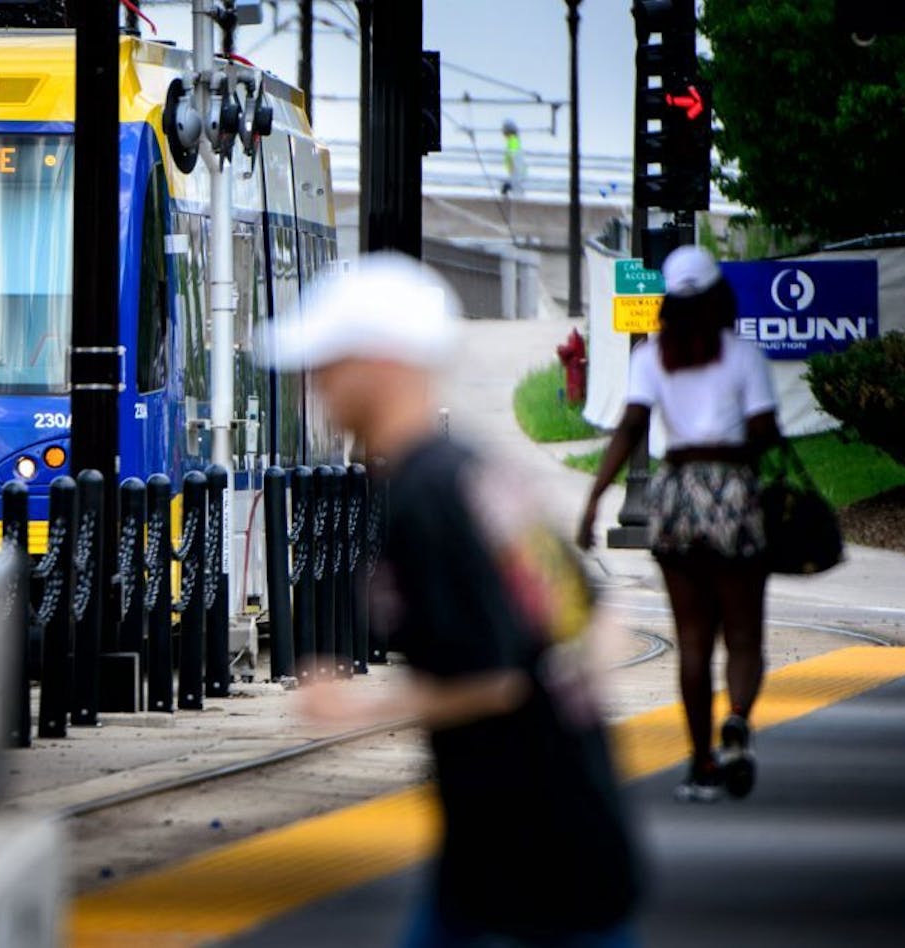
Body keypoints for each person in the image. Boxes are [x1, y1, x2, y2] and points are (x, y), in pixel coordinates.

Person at [266, 253, 639, 948]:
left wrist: (355, 706)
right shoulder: (474, 471)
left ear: (381, 362)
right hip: (547, 827)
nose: (313, 382)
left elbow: (493, 677)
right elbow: (600, 621)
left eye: (327, 361)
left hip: (524, 857)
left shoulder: (424, 494)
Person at [577, 246, 779, 804]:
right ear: (720, 295)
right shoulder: (742, 355)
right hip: (734, 491)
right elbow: (764, 430)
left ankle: (699, 762)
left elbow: (630, 427)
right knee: (742, 634)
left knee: (692, 640)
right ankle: (736, 718)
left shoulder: (650, 358)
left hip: (676, 494)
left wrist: (594, 498)